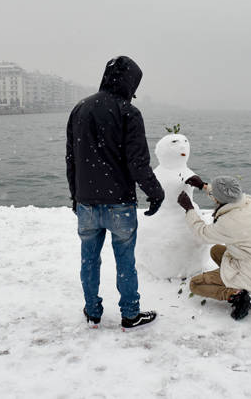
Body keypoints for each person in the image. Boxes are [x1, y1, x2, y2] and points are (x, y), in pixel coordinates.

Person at [66, 55, 164, 330]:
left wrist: (76, 196)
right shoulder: (128, 113)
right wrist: (155, 192)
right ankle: (130, 314)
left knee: (89, 260)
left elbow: (71, 159)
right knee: (125, 262)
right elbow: (137, 163)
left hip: (86, 202)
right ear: (129, 83)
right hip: (119, 203)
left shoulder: (79, 109)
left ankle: (93, 312)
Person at [177, 175, 251, 320]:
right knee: (216, 250)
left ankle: (239, 296)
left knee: (195, 284)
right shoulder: (250, 202)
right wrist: (203, 186)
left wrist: (189, 209)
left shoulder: (230, 222)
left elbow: (202, 234)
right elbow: (226, 197)